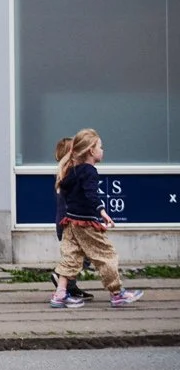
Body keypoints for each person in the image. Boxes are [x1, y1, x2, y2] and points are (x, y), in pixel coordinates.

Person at [50, 129, 143, 310]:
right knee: (106, 255)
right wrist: (102, 211)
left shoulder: (72, 171)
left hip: (70, 223)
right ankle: (117, 294)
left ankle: (60, 295)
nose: (103, 150)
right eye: (100, 146)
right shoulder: (89, 171)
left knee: (71, 257)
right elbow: (91, 195)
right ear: (91, 151)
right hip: (85, 224)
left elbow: (69, 192)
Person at [50, 135, 92, 301]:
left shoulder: (66, 173)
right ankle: (61, 276)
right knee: (83, 255)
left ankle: (69, 285)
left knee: (79, 255)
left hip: (68, 221)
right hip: (70, 222)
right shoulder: (68, 174)